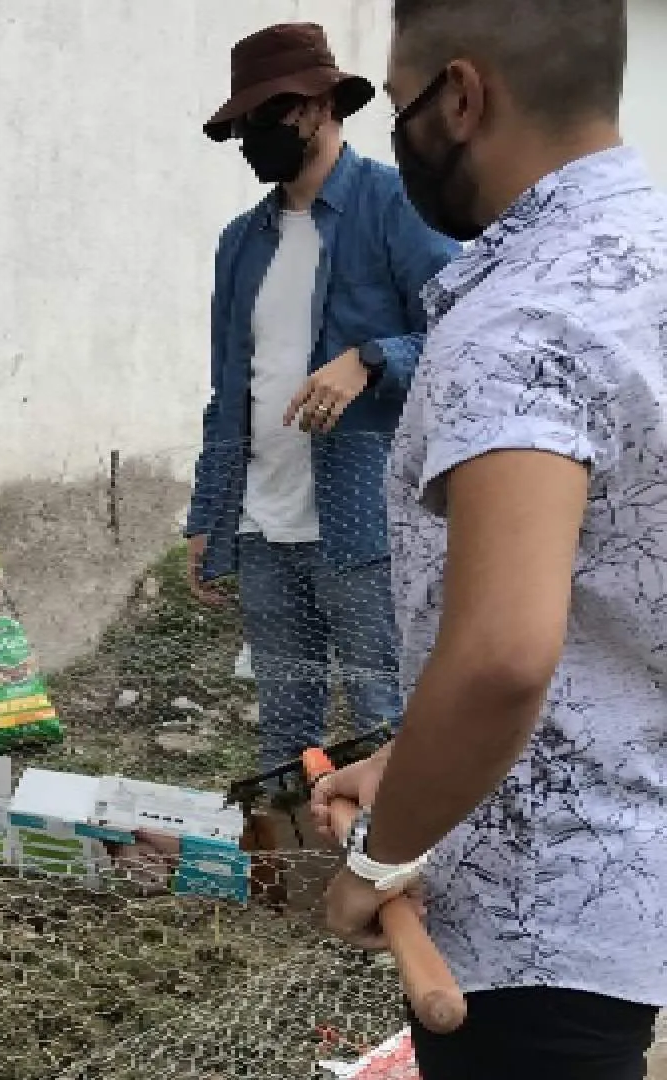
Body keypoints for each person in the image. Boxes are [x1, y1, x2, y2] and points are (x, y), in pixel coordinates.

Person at [313, 1, 666, 1074]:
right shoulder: (645, 261)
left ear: (460, 98)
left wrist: (378, 862)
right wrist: (418, 763)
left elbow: (504, 656)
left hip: (537, 925)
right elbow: (606, 592)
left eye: (399, 103)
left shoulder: (525, 320)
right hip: (628, 873)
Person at [187, 23, 460, 772]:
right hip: (264, 522)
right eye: (241, 124)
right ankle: (290, 882)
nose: (250, 137)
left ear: (319, 107)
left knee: (384, 723)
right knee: (285, 730)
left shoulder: (395, 206)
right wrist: (210, 515)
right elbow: (228, 389)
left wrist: (372, 358)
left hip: (365, 523)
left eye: (265, 118)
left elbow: (469, 331)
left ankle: (391, 882)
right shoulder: (241, 241)